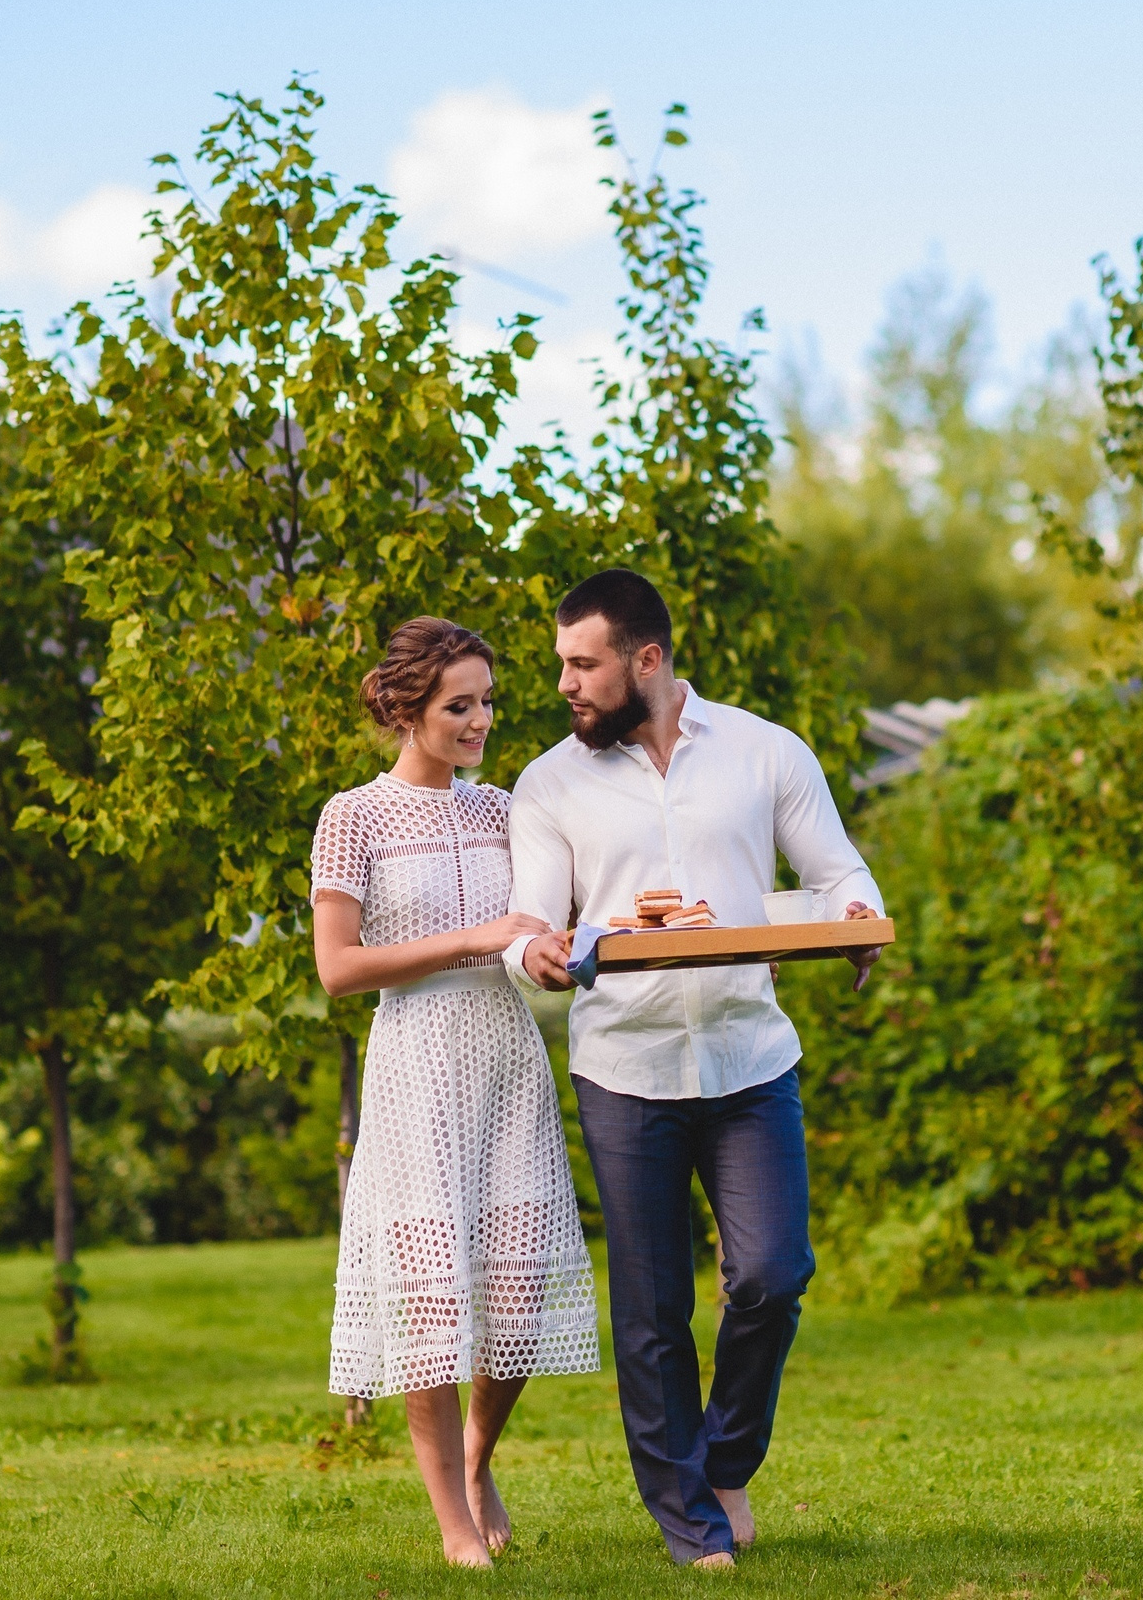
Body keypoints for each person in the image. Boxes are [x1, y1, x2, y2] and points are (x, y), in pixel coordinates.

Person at [503, 568, 885, 1570]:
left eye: (582, 664)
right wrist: (533, 952)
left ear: (648, 659)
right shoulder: (549, 783)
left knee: (771, 1272)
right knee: (651, 1304)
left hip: (750, 1056)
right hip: (624, 1066)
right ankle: (689, 1522)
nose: (566, 685)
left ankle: (723, 1460)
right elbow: (533, 923)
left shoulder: (765, 752)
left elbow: (837, 873)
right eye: (560, 665)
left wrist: (854, 917)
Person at [310, 616, 601, 1570]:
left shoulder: (500, 808)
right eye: (459, 704)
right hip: (416, 1063)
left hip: (506, 1061)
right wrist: (476, 938)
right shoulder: (353, 816)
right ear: (406, 707)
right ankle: (451, 1519)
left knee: (514, 1296)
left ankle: (478, 1457)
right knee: (433, 1304)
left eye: (486, 701)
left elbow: (527, 932)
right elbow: (339, 969)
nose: (481, 720)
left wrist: (545, 952)